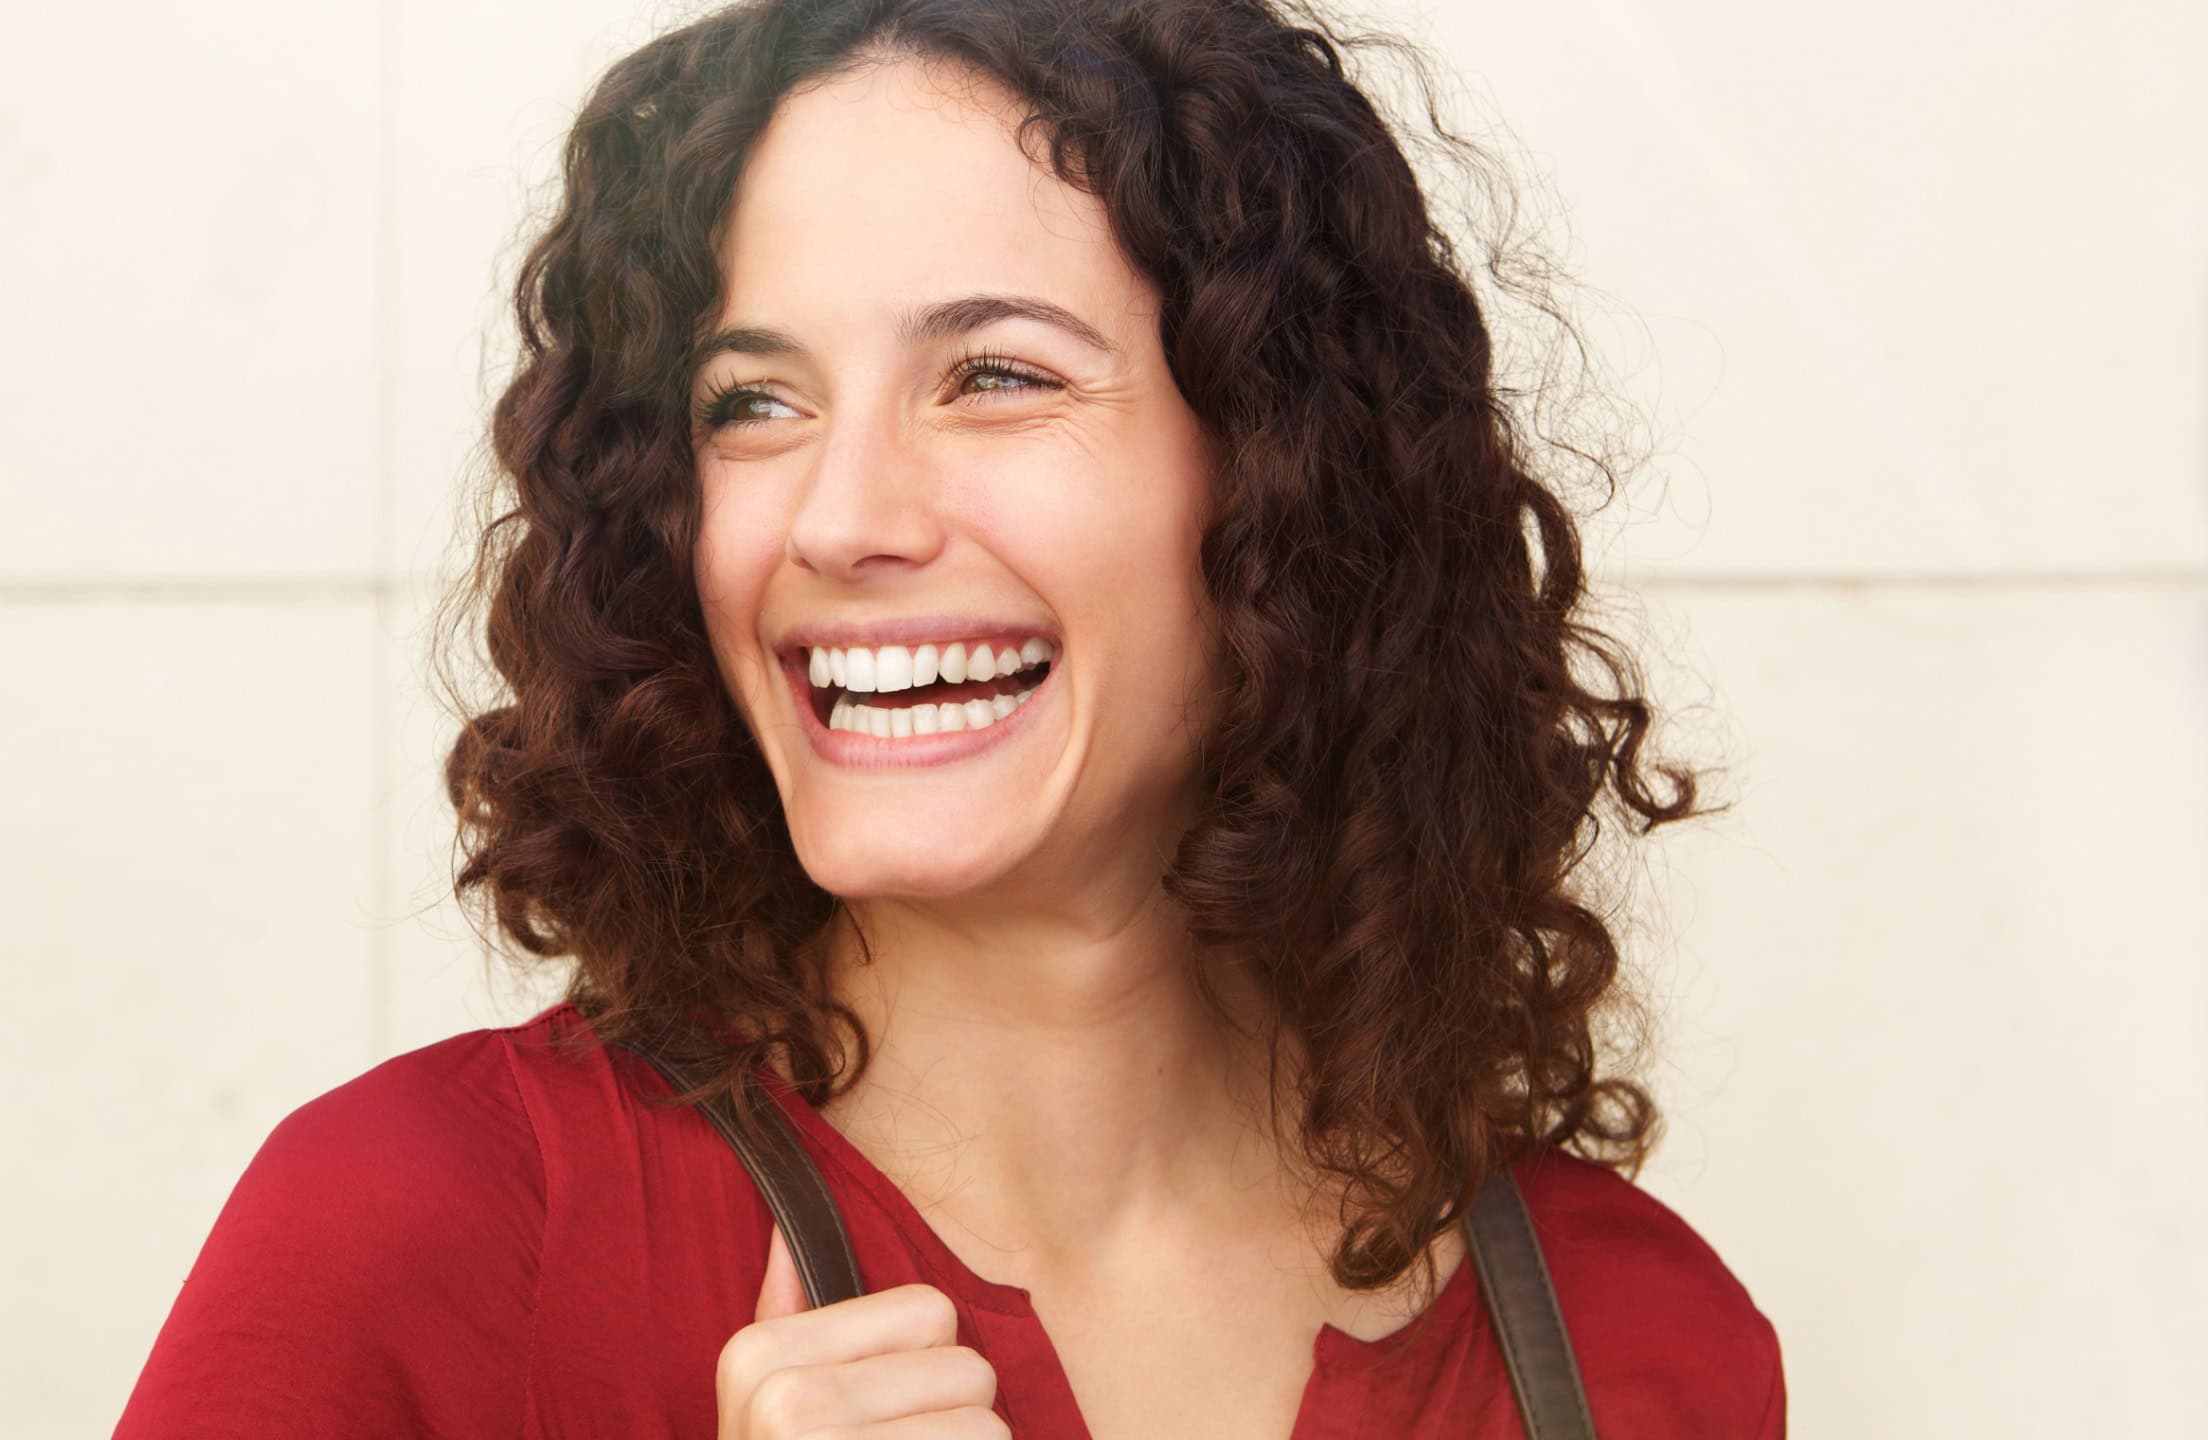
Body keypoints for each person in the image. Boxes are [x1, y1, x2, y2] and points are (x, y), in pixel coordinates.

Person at [112, 0, 1784, 1435]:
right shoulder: (438, 1232)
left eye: (995, 376)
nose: (840, 519)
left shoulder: (1643, 1344)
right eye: (752, 403)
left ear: (1289, 474)